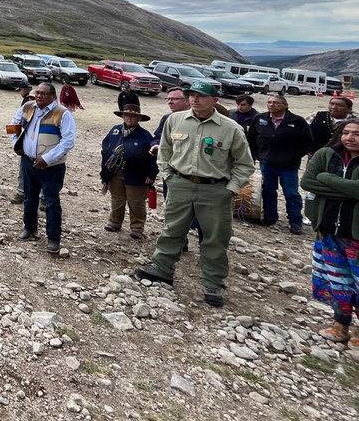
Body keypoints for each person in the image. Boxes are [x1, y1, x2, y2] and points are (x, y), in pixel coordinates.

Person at [136, 81, 255, 308]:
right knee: (173, 229)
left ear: (215, 100)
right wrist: (168, 175)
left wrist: (231, 189)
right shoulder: (175, 120)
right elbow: (165, 150)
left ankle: (212, 283)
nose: (195, 99)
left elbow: (245, 164)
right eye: (191, 95)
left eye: (201, 96)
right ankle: (162, 268)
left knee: (215, 237)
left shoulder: (230, 128)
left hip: (215, 189)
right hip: (180, 184)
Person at [300, 120, 359, 347]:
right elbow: (307, 182)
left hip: (355, 235)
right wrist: (348, 189)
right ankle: (340, 325)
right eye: (345, 133)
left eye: (356, 134)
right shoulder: (326, 154)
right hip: (327, 231)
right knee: (337, 280)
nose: (350, 138)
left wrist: (325, 179)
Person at [12, 82, 76, 252]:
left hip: (52, 166)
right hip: (28, 161)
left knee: (51, 202)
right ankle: (30, 227)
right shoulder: (27, 107)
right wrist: (16, 144)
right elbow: (13, 125)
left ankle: (53, 238)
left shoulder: (63, 114)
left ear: (53, 96)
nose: (39, 96)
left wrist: (47, 159)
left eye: (43, 93)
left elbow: (68, 141)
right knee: (29, 197)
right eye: (37, 92)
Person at [247, 94, 312, 234]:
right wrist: (256, 155)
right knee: (268, 190)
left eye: (276, 103)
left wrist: (293, 155)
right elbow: (251, 138)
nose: (271, 105)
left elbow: (308, 143)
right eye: (269, 102)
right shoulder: (260, 118)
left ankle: (295, 223)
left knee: (291, 193)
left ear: (285, 106)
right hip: (266, 162)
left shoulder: (297, 121)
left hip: (288, 165)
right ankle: (270, 217)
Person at [100, 104, 156, 239]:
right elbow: (105, 145)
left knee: (136, 201)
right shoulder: (115, 130)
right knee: (117, 199)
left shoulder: (145, 135)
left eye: (133, 116)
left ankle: (137, 228)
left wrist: (151, 174)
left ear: (138, 118)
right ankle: (114, 223)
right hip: (115, 173)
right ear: (123, 116)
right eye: (127, 115)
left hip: (137, 174)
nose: (130, 118)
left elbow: (153, 157)